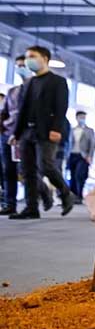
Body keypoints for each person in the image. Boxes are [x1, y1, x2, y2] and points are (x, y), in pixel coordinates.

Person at [9, 46, 75, 219]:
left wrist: (56, 129)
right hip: (27, 132)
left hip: (46, 132)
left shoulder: (57, 81)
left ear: (45, 58)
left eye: (32, 56)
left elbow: (61, 107)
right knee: (27, 170)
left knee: (45, 165)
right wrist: (16, 134)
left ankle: (66, 193)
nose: (28, 60)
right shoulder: (29, 83)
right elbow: (23, 110)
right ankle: (31, 208)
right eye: (27, 56)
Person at [0, 55, 54, 216]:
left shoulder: (39, 91)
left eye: (23, 65)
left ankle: (43, 192)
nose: (20, 69)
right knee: (8, 171)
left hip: (26, 136)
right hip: (7, 135)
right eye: (18, 66)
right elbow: (5, 113)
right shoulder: (12, 92)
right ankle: (10, 204)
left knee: (26, 171)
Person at [67, 111, 95, 203]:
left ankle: (79, 195)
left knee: (79, 175)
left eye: (84, 117)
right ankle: (73, 195)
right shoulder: (72, 130)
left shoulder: (89, 130)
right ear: (76, 118)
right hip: (72, 154)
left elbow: (92, 144)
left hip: (83, 156)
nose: (82, 119)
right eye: (80, 117)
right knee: (72, 176)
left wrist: (90, 156)